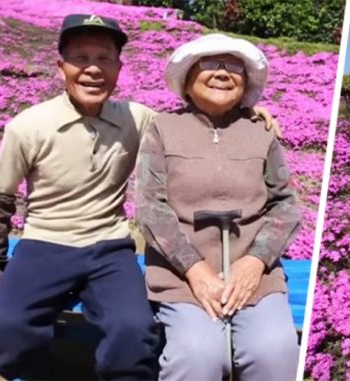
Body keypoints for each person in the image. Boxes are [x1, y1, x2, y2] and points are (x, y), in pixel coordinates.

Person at [0, 14, 278, 380]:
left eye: (104, 59)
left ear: (119, 68)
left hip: (110, 249)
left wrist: (244, 113)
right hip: (44, 245)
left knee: (133, 334)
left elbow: (191, 124)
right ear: (60, 67)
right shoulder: (28, 126)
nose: (92, 70)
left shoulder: (140, 119)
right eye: (80, 58)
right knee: (3, 330)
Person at [136, 33, 302, 381]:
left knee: (274, 351)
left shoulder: (261, 132)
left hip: (254, 274)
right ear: (188, 76)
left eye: (234, 67)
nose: (223, 73)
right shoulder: (162, 129)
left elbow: (285, 204)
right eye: (210, 63)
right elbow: (151, 208)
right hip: (181, 275)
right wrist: (195, 270)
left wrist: (255, 262)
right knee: (197, 357)